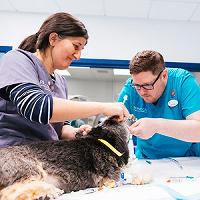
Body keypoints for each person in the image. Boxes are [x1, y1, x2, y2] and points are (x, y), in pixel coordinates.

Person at [0, 12, 129, 147]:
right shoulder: (18, 59)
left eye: (81, 49)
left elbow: (59, 129)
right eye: (76, 46)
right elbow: (37, 107)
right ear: (53, 39)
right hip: (13, 154)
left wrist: (76, 132)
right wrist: (102, 107)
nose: (78, 56)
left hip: (46, 155)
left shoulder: (61, 82)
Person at [118, 50, 200, 159]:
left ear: (164, 75)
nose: (141, 92)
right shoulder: (131, 87)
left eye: (147, 85)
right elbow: (117, 124)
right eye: (137, 85)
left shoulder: (182, 82)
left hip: (186, 159)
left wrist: (157, 126)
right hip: (147, 159)